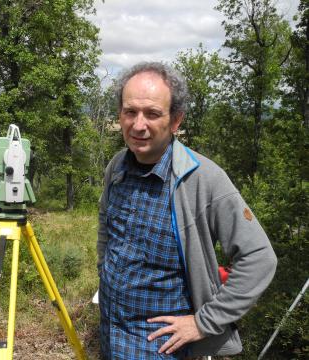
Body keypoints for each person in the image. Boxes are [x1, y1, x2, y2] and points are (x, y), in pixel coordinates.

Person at [97, 62, 277, 359]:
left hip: (164, 349)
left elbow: (259, 258)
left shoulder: (203, 179)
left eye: (152, 114)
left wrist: (203, 323)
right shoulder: (117, 167)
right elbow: (106, 225)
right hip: (111, 336)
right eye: (130, 112)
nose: (138, 125)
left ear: (175, 121)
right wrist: (103, 270)